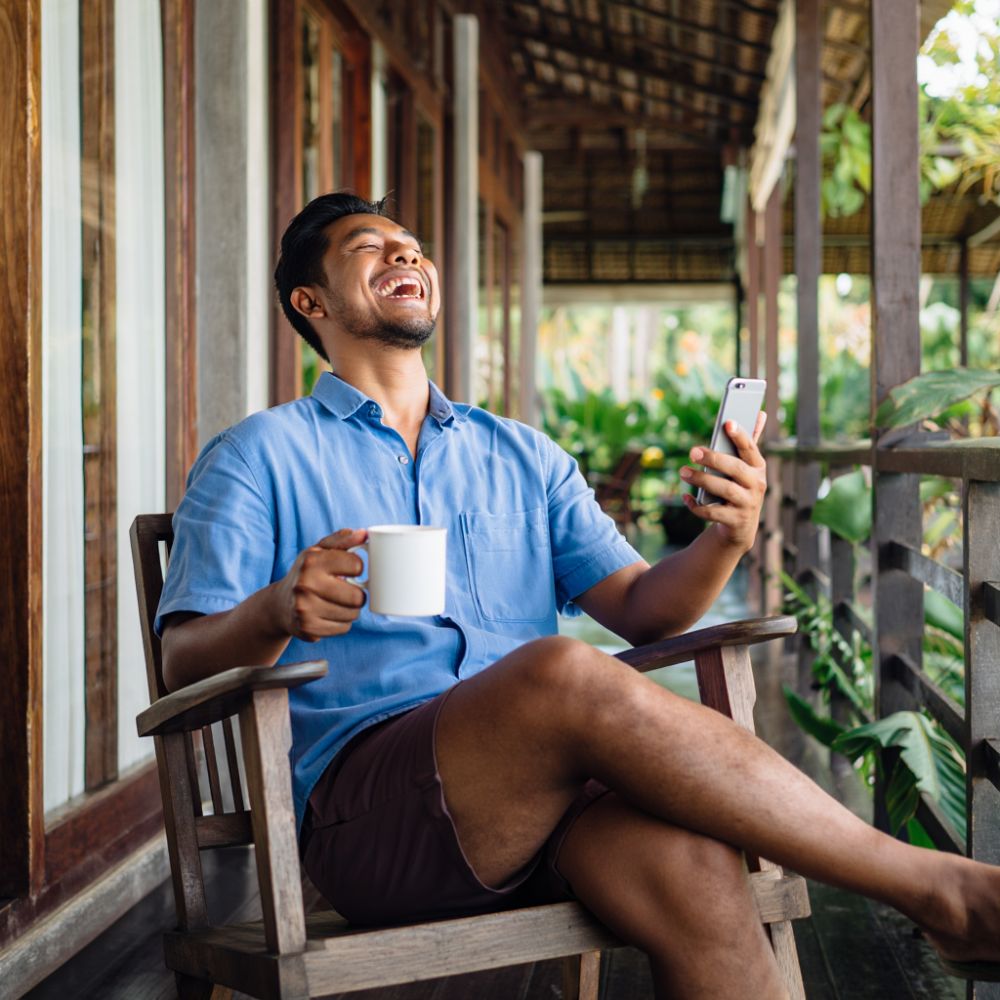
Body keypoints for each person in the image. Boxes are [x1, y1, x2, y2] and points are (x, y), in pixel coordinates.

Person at [158, 192, 1000, 999]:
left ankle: (947, 898)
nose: (405, 255)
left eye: (411, 246)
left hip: (554, 802)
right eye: (368, 247)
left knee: (697, 870)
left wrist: (727, 537)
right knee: (559, 671)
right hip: (374, 823)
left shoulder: (523, 455)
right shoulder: (256, 458)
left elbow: (645, 611)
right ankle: (941, 891)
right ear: (310, 302)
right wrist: (276, 610)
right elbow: (181, 663)